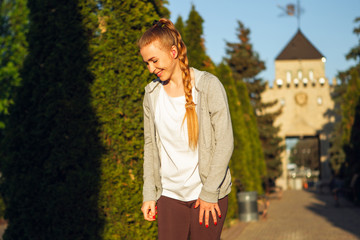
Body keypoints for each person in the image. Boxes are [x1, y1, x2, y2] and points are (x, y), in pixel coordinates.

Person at [138, 18, 233, 240]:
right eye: (146, 63)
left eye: (154, 60)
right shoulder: (151, 95)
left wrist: (210, 193)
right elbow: (150, 145)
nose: (151, 69)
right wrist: (149, 194)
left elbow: (225, 142)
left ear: (173, 52)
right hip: (170, 196)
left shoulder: (208, 86)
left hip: (208, 194)